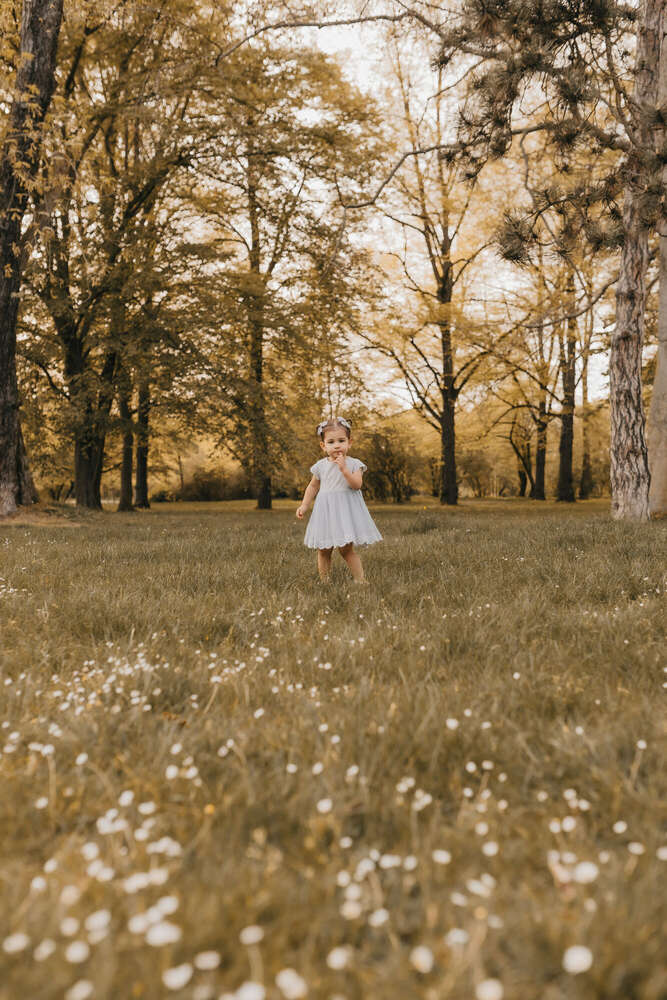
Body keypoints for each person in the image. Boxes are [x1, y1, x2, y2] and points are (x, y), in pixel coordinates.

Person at [296, 416, 382, 583]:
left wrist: (344, 469)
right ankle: (325, 581)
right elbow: (313, 486)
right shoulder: (320, 466)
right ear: (323, 446)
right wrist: (305, 505)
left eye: (341, 441)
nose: (337, 445)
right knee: (323, 550)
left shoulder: (354, 464)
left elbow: (356, 485)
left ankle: (360, 580)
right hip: (326, 513)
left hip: (345, 514)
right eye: (331, 442)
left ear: (350, 442)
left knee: (346, 550)